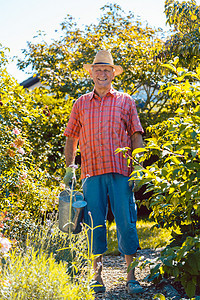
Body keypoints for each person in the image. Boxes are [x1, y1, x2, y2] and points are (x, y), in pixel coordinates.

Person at [63, 50, 144, 295]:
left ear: (112, 74)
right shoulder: (81, 103)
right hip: (91, 173)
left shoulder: (125, 101)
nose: (102, 74)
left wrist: (139, 166)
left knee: (126, 223)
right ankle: (96, 276)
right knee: (94, 224)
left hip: (120, 171)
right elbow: (71, 138)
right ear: (92, 74)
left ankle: (131, 276)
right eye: (98, 70)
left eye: (106, 70)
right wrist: (70, 168)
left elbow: (136, 134)